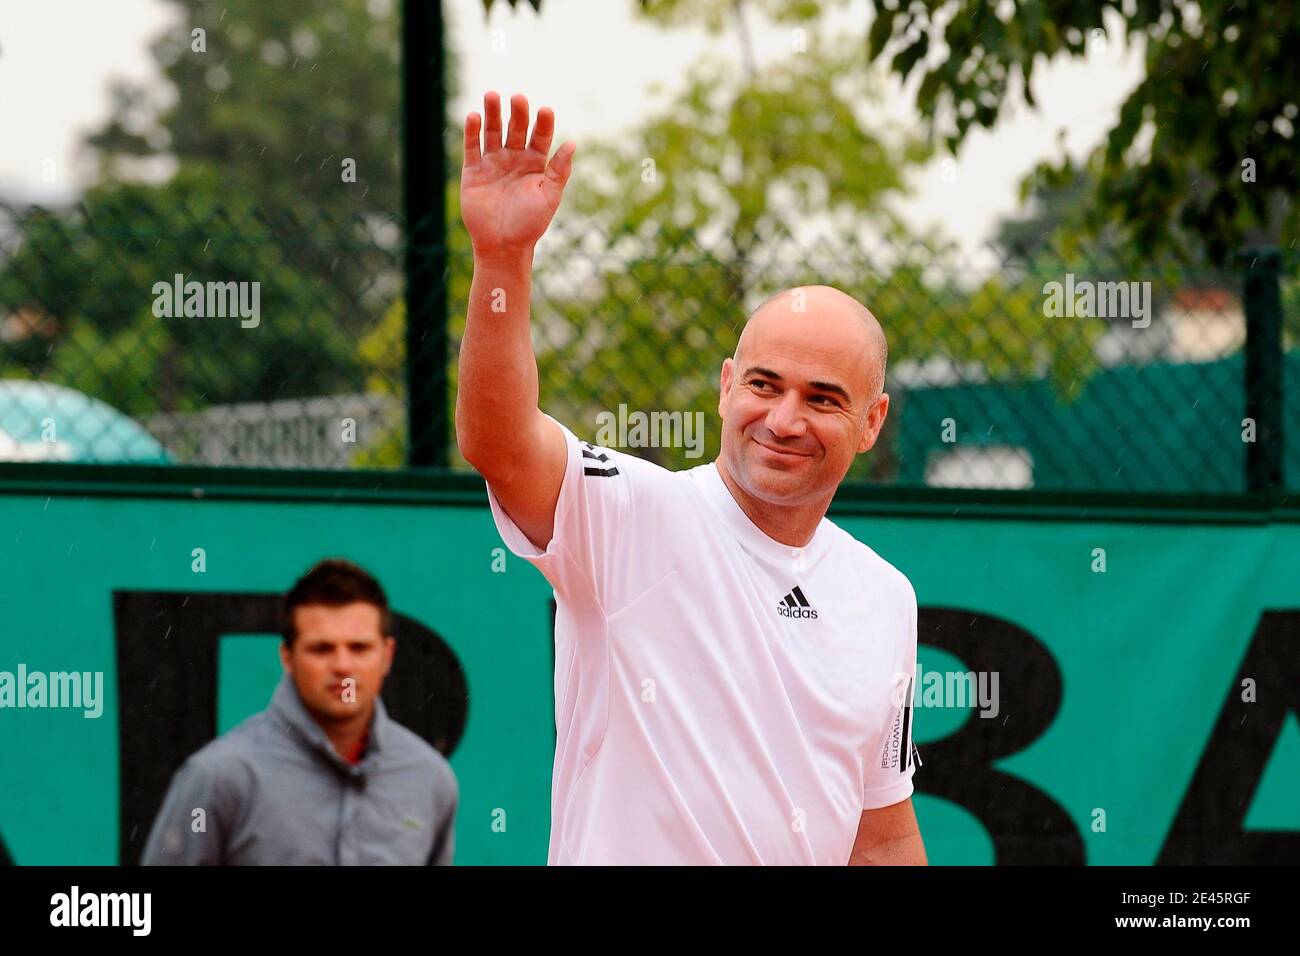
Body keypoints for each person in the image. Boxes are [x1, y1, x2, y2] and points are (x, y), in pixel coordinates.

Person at [457, 91, 926, 865]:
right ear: (725, 386)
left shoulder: (885, 595)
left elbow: (880, 837)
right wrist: (502, 262)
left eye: (823, 399)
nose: (783, 419)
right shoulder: (631, 513)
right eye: (765, 386)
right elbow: (499, 442)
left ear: (872, 422)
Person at [142, 558, 458, 865]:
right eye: (322, 648)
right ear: (287, 657)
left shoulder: (430, 779)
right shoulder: (218, 777)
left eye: (359, 648)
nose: (342, 666)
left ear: (387, 656)